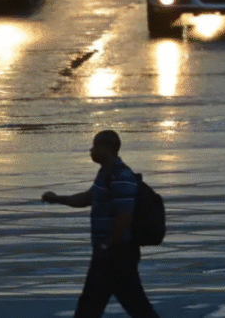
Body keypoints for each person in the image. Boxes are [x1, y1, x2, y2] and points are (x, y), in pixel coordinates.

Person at [42, 130, 160, 318]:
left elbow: (124, 217)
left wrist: (107, 244)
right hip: (109, 254)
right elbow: (87, 198)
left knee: (107, 306)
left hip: (117, 254)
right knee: (120, 305)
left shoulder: (121, 176)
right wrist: (57, 199)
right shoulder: (105, 174)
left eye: (95, 146)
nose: (91, 150)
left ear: (107, 148)